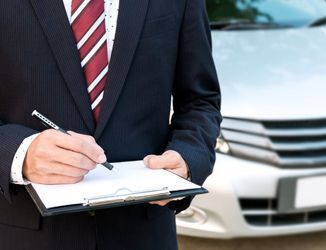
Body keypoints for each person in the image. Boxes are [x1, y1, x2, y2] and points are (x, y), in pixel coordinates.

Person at [0, 0, 222, 249]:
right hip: (24, 235)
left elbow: (200, 100)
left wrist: (188, 157)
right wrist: (20, 154)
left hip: (144, 234)